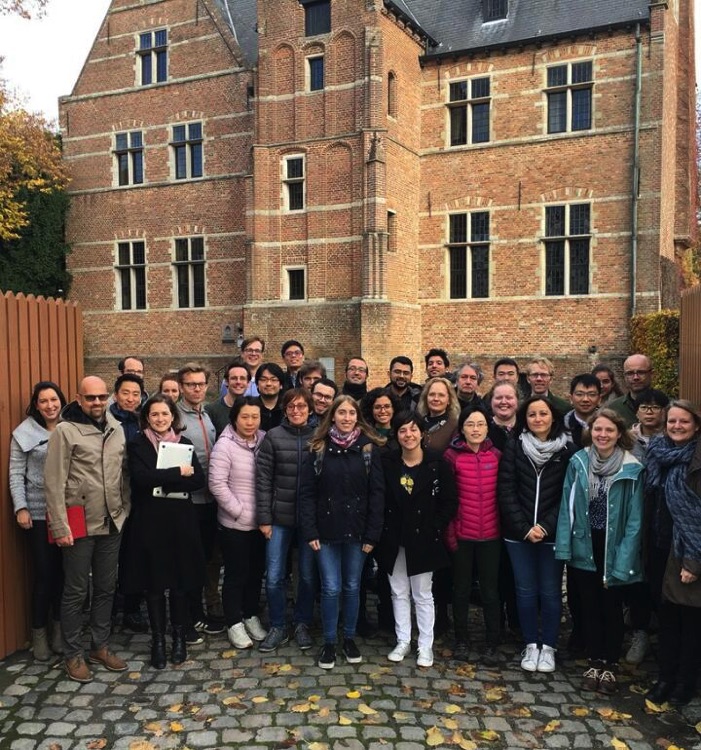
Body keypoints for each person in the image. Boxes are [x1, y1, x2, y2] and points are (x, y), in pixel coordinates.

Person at [44, 376, 130, 683]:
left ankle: (99, 646)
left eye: (102, 397)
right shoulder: (65, 431)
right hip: (78, 523)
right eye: (90, 397)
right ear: (79, 399)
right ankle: (73, 654)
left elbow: (123, 473)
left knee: (106, 588)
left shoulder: (116, 427)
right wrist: (59, 524)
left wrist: (125, 508)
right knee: (76, 591)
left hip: (112, 521)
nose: (97, 402)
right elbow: (53, 481)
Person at [555, 409, 644, 694]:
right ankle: (594, 661)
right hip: (585, 542)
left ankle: (610, 664)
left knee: (611, 606)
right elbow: (567, 507)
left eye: (609, 430)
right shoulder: (579, 461)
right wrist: (565, 546)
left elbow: (635, 519)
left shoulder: (632, 468)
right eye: (597, 429)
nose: (602, 435)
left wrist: (625, 556)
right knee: (588, 605)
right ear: (590, 432)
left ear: (619, 434)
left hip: (614, 544)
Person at [299, 395, 385, 669]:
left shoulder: (368, 449)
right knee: (331, 587)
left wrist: (372, 534)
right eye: (342, 413)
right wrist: (310, 530)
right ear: (332, 416)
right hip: (325, 531)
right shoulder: (318, 448)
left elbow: (377, 495)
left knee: (351, 586)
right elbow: (307, 494)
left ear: (357, 417)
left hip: (357, 531)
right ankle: (329, 641)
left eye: (351, 413)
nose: (347, 418)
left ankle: (348, 637)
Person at [125, 394, 206, 669]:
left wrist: (165, 480)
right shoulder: (138, 444)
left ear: (173, 416)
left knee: (180, 584)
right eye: (155, 414)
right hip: (150, 522)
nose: (160, 419)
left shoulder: (184, 443)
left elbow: (197, 480)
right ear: (147, 418)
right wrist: (177, 473)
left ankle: (179, 637)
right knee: (155, 584)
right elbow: (141, 479)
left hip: (181, 521)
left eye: (165, 414)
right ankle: (158, 639)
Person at [498, 396, 574, 674]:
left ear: (553, 417)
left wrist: (545, 526)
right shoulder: (515, 445)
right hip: (518, 534)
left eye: (543, 413)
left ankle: (549, 646)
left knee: (551, 591)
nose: (538, 419)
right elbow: (506, 489)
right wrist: (524, 528)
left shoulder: (567, 449)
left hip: (552, 534)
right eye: (532, 414)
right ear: (525, 419)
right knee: (525, 590)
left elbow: (568, 493)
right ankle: (531, 643)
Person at [378, 411, 457, 668]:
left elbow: (449, 501)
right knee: (398, 591)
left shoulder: (437, 463)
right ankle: (403, 640)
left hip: (424, 537)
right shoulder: (387, 462)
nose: (408, 435)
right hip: (395, 536)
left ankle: (425, 644)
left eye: (413, 429)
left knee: (423, 593)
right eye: (402, 430)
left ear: (422, 433)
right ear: (396, 435)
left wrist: (435, 527)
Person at [644, 401, 701, 707]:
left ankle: (684, 682)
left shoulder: (696, 460)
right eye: (672, 422)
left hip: (688, 551)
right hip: (660, 547)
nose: (677, 427)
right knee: (666, 619)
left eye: (684, 422)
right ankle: (665, 677)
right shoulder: (658, 454)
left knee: (689, 622)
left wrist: (693, 561)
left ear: (696, 425)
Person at [256, 388, 317, 653]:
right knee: (274, 575)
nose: (296, 411)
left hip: (308, 520)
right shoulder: (273, 436)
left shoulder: (319, 437)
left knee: (307, 575)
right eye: (291, 406)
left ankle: (302, 622)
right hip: (278, 517)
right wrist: (264, 518)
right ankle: (278, 625)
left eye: (301, 406)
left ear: (310, 409)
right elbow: (263, 480)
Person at [10, 381, 67, 661]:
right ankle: (39, 633)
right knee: (45, 575)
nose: (50, 405)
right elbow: (15, 473)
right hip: (37, 512)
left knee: (64, 574)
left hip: (67, 512)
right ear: (36, 405)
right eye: (43, 401)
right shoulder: (24, 433)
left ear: (61, 401)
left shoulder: (70, 427)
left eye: (54, 399)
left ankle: (59, 630)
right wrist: (20, 507)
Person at [209, 396, 268, 650]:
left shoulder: (264, 440)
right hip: (235, 524)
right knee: (236, 574)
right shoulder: (225, 445)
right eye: (245, 417)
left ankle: (250, 614)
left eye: (255, 417)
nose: (250, 422)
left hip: (261, 523)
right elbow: (217, 484)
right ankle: (234, 621)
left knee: (256, 572)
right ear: (235, 418)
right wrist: (239, 511)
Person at [444, 404, 502, 663]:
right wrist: (450, 534)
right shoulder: (451, 457)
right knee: (461, 590)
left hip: (491, 535)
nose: (475, 429)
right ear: (462, 429)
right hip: (462, 535)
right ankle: (462, 639)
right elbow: (447, 499)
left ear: (487, 428)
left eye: (480, 424)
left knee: (490, 591)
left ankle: (492, 642)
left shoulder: (496, 456)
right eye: (470, 424)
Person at [176, 363, 223, 640]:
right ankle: (187, 619)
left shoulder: (206, 415)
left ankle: (199, 613)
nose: (196, 389)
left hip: (209, 499)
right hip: (187, 500)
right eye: (191, 384)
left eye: (201, 384)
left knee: (205, 558)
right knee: (188, 561)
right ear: (181, 387)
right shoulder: (175, 416)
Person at [206, 361, 251, 438]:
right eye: (234, 378)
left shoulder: (253, 409)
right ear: (226, 382)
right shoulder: (211, 411)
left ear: (248, 383)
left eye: (242, 378)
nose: (238, 382)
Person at [415, 376, 460, 454]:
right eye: (432, 394)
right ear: (426, 398)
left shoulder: (455, 427)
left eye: (441, 395)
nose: (436, 399)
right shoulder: (417, 423)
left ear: (449, 400)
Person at [608, 354, 655, 427]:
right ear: (624, 376)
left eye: (641, 372)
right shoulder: (613, 409)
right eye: (630, 373)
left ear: (651, 374)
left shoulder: (666, 406)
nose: (635, 377)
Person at [564, 374, 602, 449]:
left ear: (599, 399)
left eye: (592, 394)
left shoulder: (609, 424)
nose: (585, 399)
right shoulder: (561, 426)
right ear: (571, 398)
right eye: (579, 394)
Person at [488, 381, 519, 451]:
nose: (503, 402)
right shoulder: (483, 428)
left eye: (509, 398)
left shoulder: (526, 427)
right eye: (498, 398)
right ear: (491, 401)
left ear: (517, 401)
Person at [255, 362, 285, 432]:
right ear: (257, 384)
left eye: (273, 380)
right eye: (263, 380)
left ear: (281, 385)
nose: (268, 384)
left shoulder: (287, 407)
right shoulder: (251, 407)